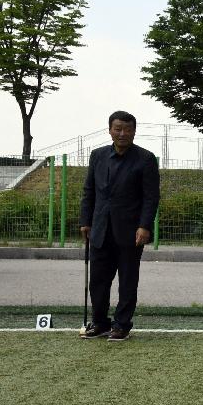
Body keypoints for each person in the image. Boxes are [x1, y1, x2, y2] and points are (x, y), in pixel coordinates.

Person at [79, 111, 160, 342]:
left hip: (131, 231)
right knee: (98, 281)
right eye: (117, 129)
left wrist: (145, 226)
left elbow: (151, 197)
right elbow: (89, 191)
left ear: (134, 131)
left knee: (127, 281)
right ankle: (100, 323)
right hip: (100, 228)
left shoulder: (145, 159)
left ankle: (121, 325)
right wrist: (85, 220)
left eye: (127, 129)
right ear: (110, 130)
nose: (122, 133)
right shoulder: (97, 156)